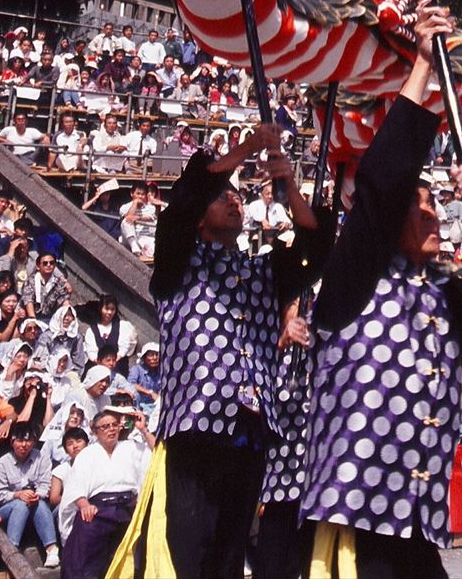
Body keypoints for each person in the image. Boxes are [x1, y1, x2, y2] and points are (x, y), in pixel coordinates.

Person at [301, 1, 462, 579]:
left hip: (416, 524)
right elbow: (382, 183)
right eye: (420, 206)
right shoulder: (353, 279)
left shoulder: (446, 296)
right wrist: (424, 64)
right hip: (355, 523)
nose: (433, 216)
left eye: (435, 205)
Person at [138, 119, 322, 579]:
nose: (234, 199)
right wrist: (249, 147)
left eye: (238, 196)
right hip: (197, 427)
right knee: (191, 549)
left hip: (251, 430)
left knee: (228, 555)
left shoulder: (263, 270)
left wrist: (288, 184)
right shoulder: (178, 261)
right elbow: (184, 199)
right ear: (200, 217)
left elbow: (316, 247)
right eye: (222, 196)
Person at [59, 409, 147, 579]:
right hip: (98, 509)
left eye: (114, 425)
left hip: (127, 508)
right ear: (95, 431)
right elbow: (75, 487)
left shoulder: (132, 447)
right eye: (105, 426)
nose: (111, 429)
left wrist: (143, 430)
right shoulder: (87, 454)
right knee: (83, 540)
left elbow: (155, 453)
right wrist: (84, 505)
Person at [0, 421, 57, 568]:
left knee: (40, 504)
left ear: (34, 442)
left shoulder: (41, 458)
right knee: (20, 504)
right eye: (19, 440)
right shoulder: (2, 464)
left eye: (28, 440)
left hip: (33, 505)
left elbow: (45, 485)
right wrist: (17, 495)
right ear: (12, 442)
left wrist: (37, 495)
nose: (24, 445)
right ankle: (12, 548)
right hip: (5, 509)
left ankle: (52, 550)